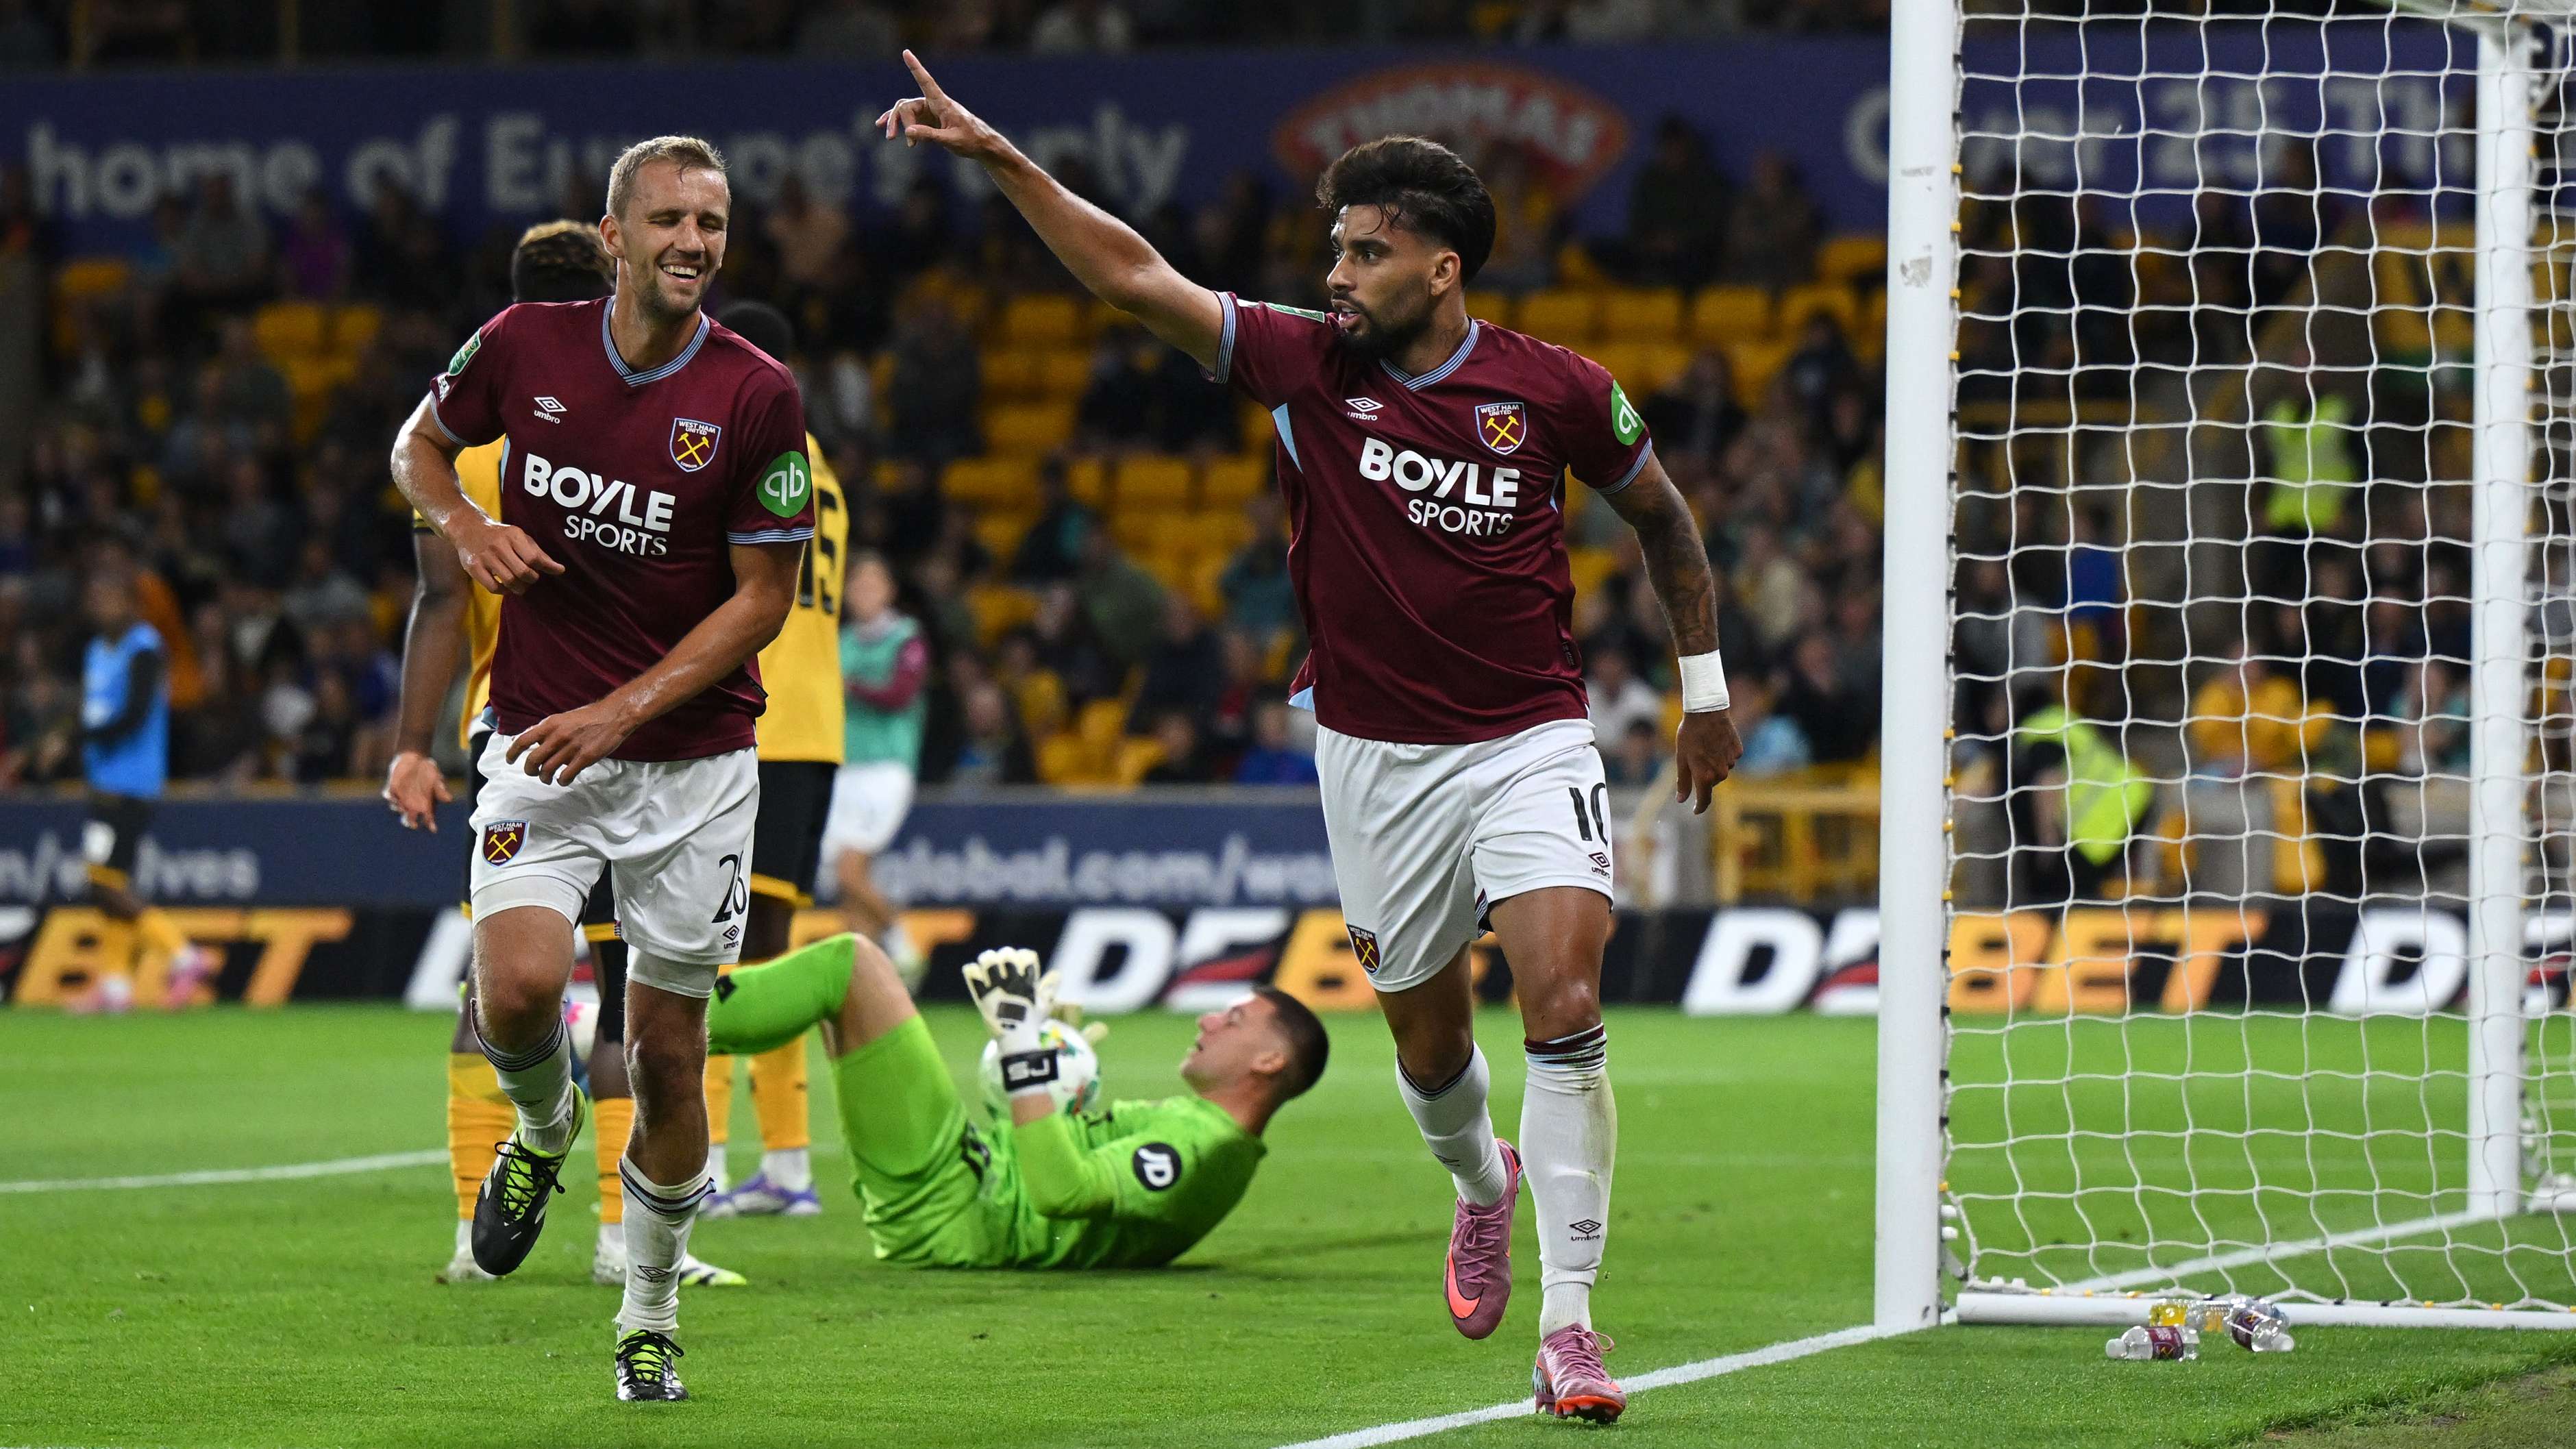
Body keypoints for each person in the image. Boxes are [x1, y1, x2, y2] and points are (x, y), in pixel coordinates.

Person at [879, 55, 1742, 1423]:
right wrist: (998, 157)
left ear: (1442, 269)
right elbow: (1130, 277)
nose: (1334, 272)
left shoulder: (1557, 389)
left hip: (1526, 736)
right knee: (1424, 1046)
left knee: (1565, 1008)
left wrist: (1701, 689)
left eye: (1365, 251)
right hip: (1371, 757)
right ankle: (1480, 1185)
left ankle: (1572, 1326)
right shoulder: (1300, 364)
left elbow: (1666, 520)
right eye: (1332, 247)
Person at [390, 135, 813, 1403]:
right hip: (537, 739)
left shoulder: (756, 395)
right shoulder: (526, 341)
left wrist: (623, 711)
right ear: (616, 235)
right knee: (515, 995)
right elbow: (415, 448)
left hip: (688, 767)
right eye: (672, 221)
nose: (696, 243)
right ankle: (544, 1129)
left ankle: (649, 1313)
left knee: (671, 1056)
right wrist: (466, 524)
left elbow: (763, 600)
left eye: (714, 224)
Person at [703, 932, 1326, 1267]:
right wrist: (1056, 1058)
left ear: (1269, 1061)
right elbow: (1045, 1157)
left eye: (1237, 1017)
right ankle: (645, 1026)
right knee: (849, 991)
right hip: (966, 1186)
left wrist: (1025, 1047)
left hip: (952, 1207)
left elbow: (1064, 1192)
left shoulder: (1203, 1152)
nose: (1213, 1018)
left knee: (852, 966)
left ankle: (631, 1019)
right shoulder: (1194, 1129)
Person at [695, 299, 854, 1224]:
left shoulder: (747, 451)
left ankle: (707, 1156)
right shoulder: (821, 468)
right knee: (768, 947)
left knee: (705, 943)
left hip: (753, 722)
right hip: (817, 728)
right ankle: (787, 1166)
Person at [67, 549, 217, 1013]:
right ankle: (115, 988)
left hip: (130, 784)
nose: (100, 605)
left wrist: (78, 736)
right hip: (102, 782)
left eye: (109, 597)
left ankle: (184, 954)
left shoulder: (145, 648)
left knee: (106, 884)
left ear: (131, 602)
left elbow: (132, 715)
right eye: (94, 597)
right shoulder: (96, 650)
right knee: (106, 880)